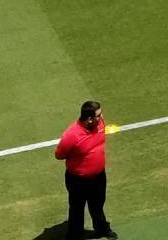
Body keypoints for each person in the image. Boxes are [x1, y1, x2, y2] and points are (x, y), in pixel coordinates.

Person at [53, 100, 116, 238]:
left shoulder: (100, 124)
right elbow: (59, 154)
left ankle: (102, 229)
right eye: (98, 115)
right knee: (76, 209)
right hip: (77, 180)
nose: (102, 117)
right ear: (89, 119)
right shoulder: (71, 135)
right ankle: (74, 235)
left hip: (99, 177)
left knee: (98, 205)